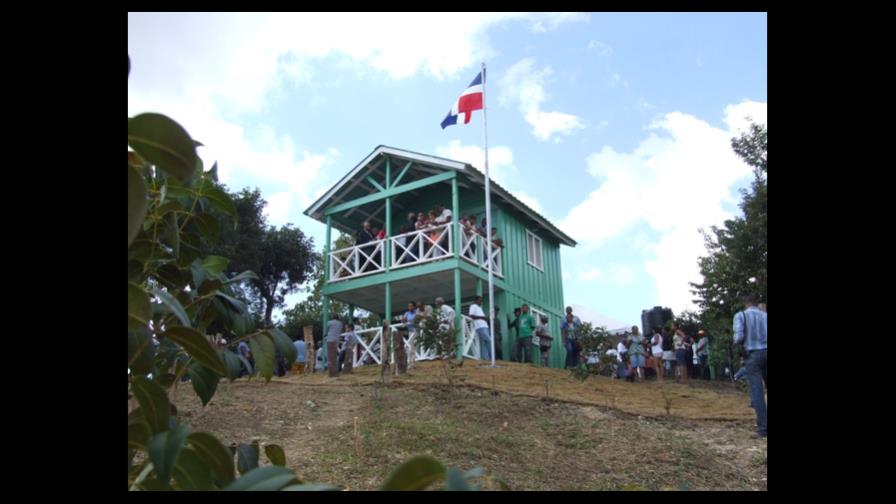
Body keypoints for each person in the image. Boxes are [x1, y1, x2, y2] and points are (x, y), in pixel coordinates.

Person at [733, 294, 767, 438]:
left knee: (757, 391)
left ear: (745, 303)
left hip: (753, 354)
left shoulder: (741, 316)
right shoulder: (765, 315)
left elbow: (738, 337)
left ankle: (763, 428)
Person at [469, 296, 491, 360]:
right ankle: (490, 357)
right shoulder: (473, 306)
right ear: (476, 300)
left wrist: (485, 319)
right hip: (480, 326)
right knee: (489, 340)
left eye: (482, 300)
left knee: (487, 341)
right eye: (480, 300)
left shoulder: (479, 308)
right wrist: (483, 318)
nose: (481, 302)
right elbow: (471, 315)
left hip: (485, 326)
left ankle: (487, 358)